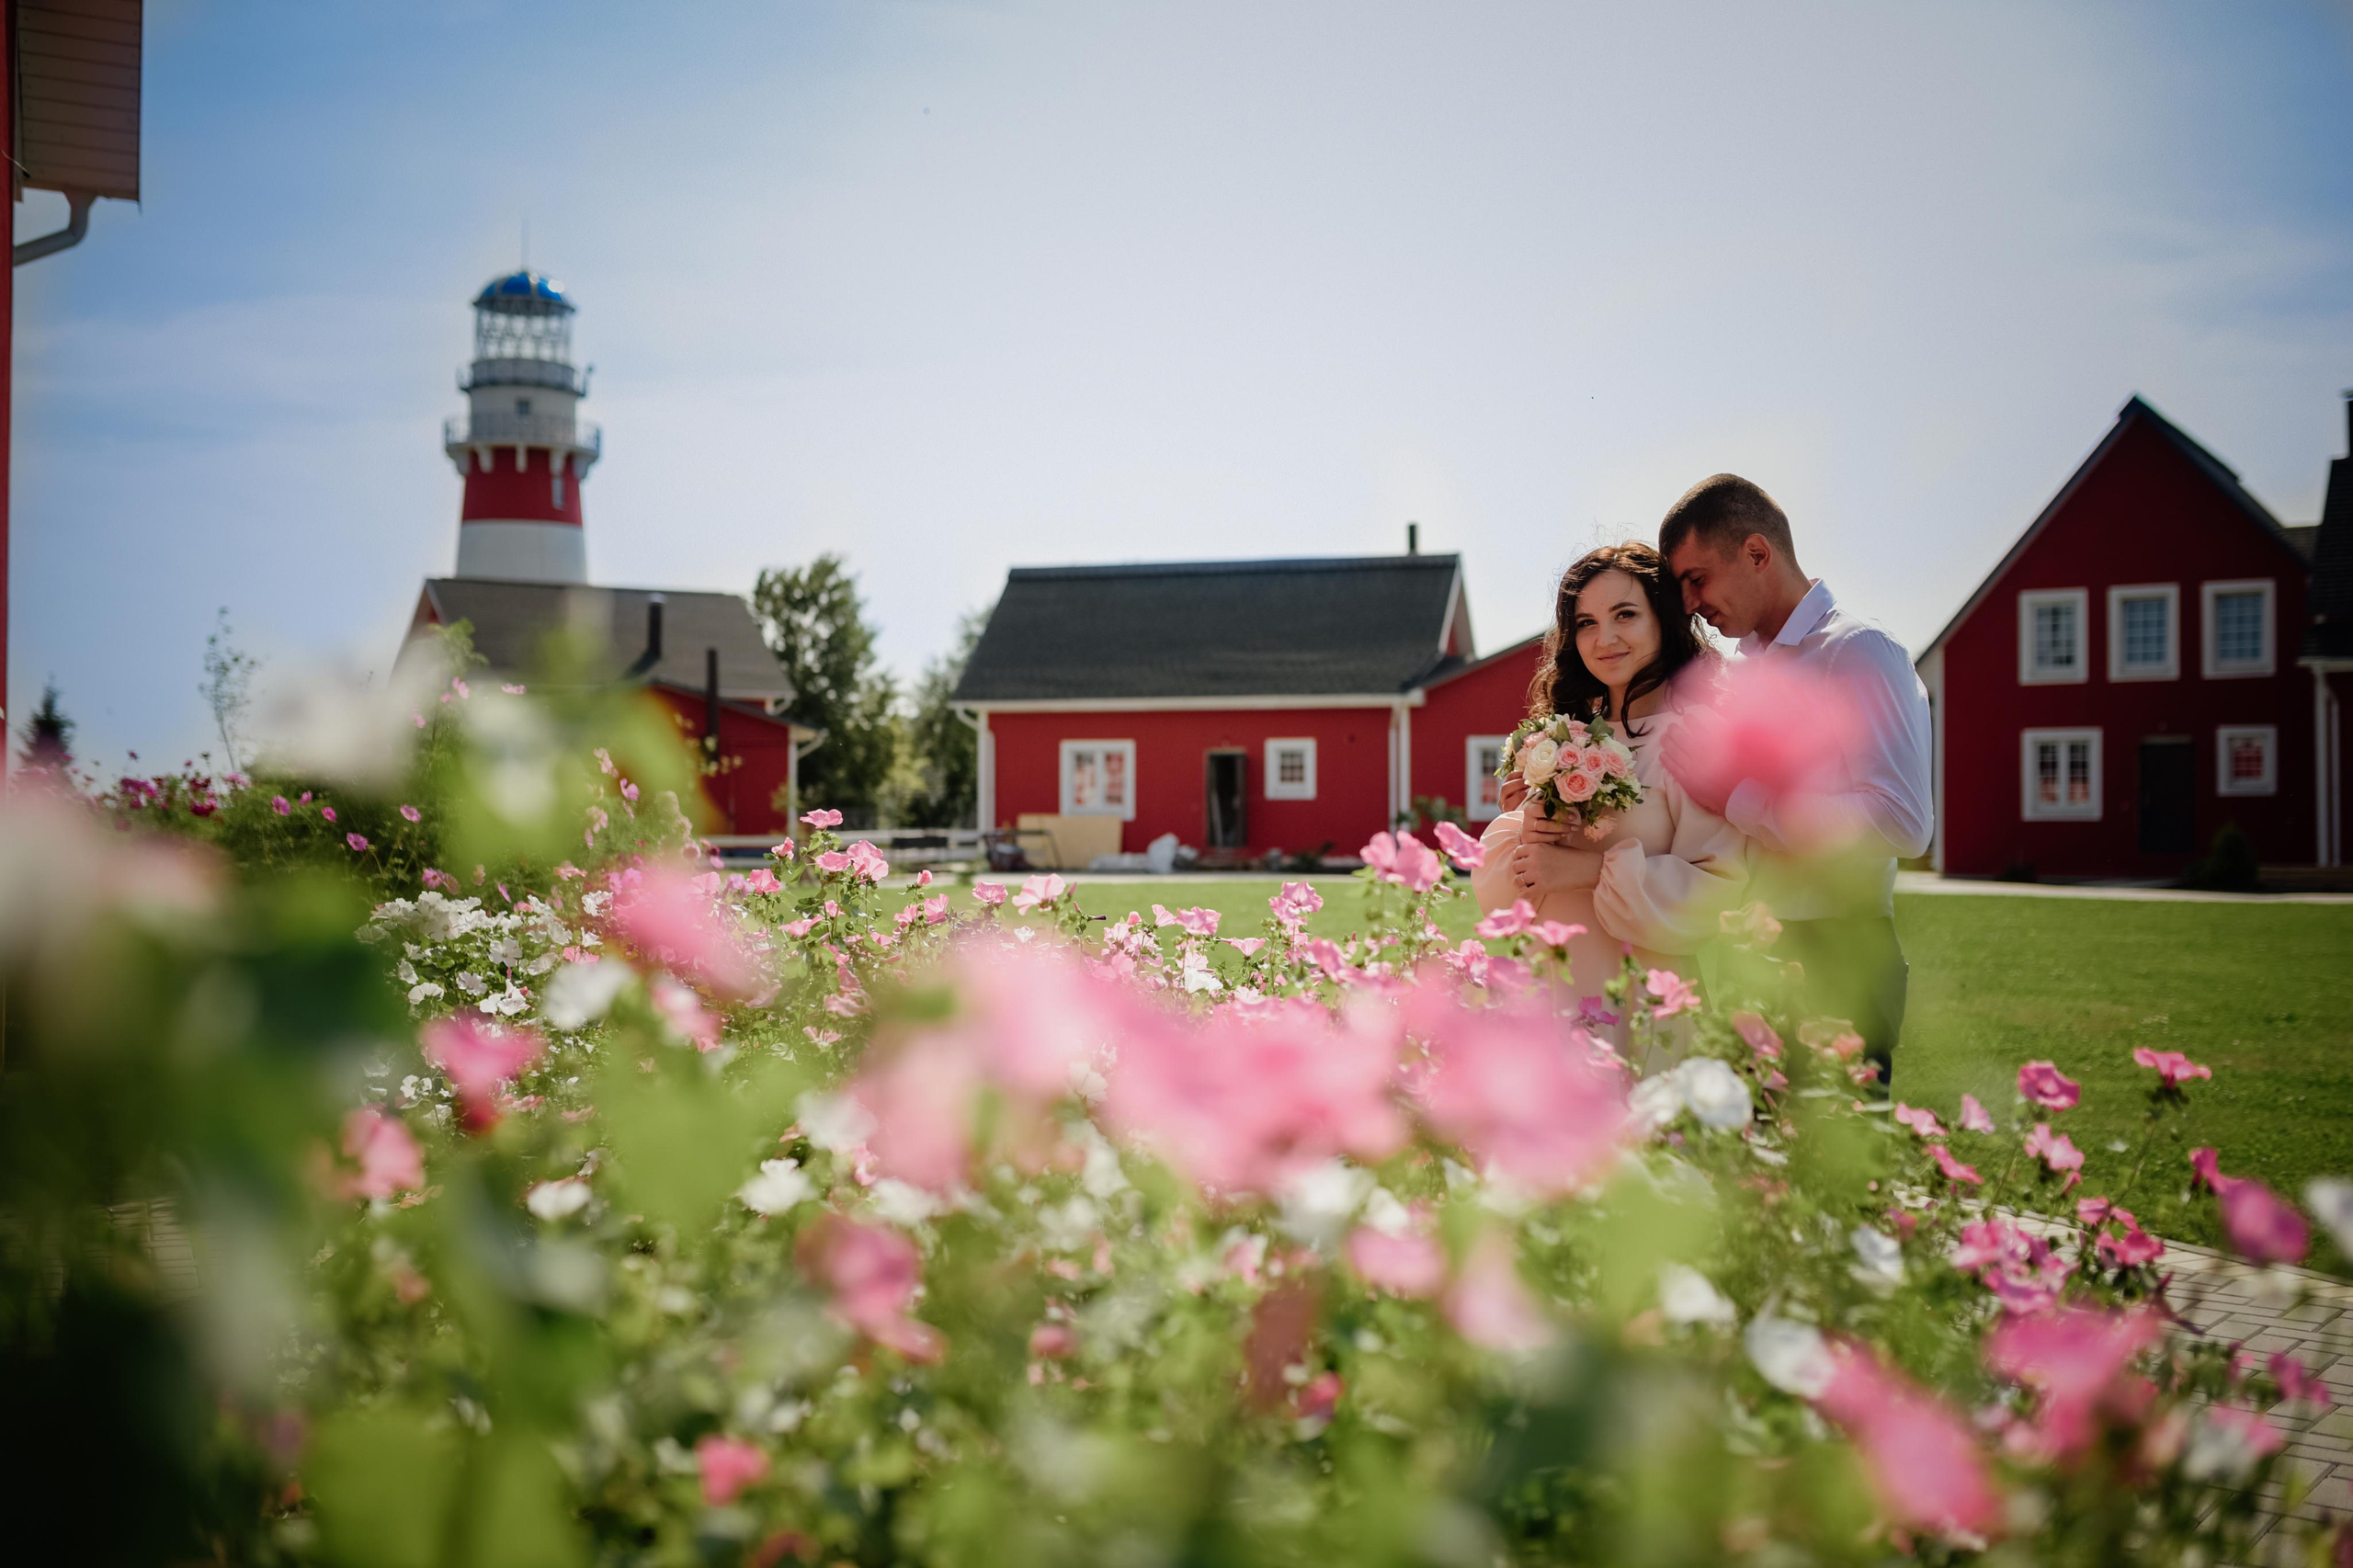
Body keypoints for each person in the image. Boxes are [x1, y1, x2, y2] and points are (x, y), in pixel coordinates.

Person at [1656, 473, 1932, 1088]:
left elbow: (1904, 822)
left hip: (1838, 954)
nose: (1691, 604)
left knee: (1830, 1176)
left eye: (1697, 579)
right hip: (1746, 955)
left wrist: (1739, 797)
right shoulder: (1742, 670)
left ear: (1757, 553)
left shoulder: (1859, 650)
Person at [1471, 542, 1748, 1020]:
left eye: (1625, 615)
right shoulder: (1559, 736)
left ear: (1663, 619)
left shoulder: (1695, 735)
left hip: (1642, 1000)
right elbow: (1503, 897)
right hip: (1548, 991)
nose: (1605, 639)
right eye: (1587, 623)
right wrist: (1526, 829)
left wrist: (1587, 871)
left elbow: (1719, 890)